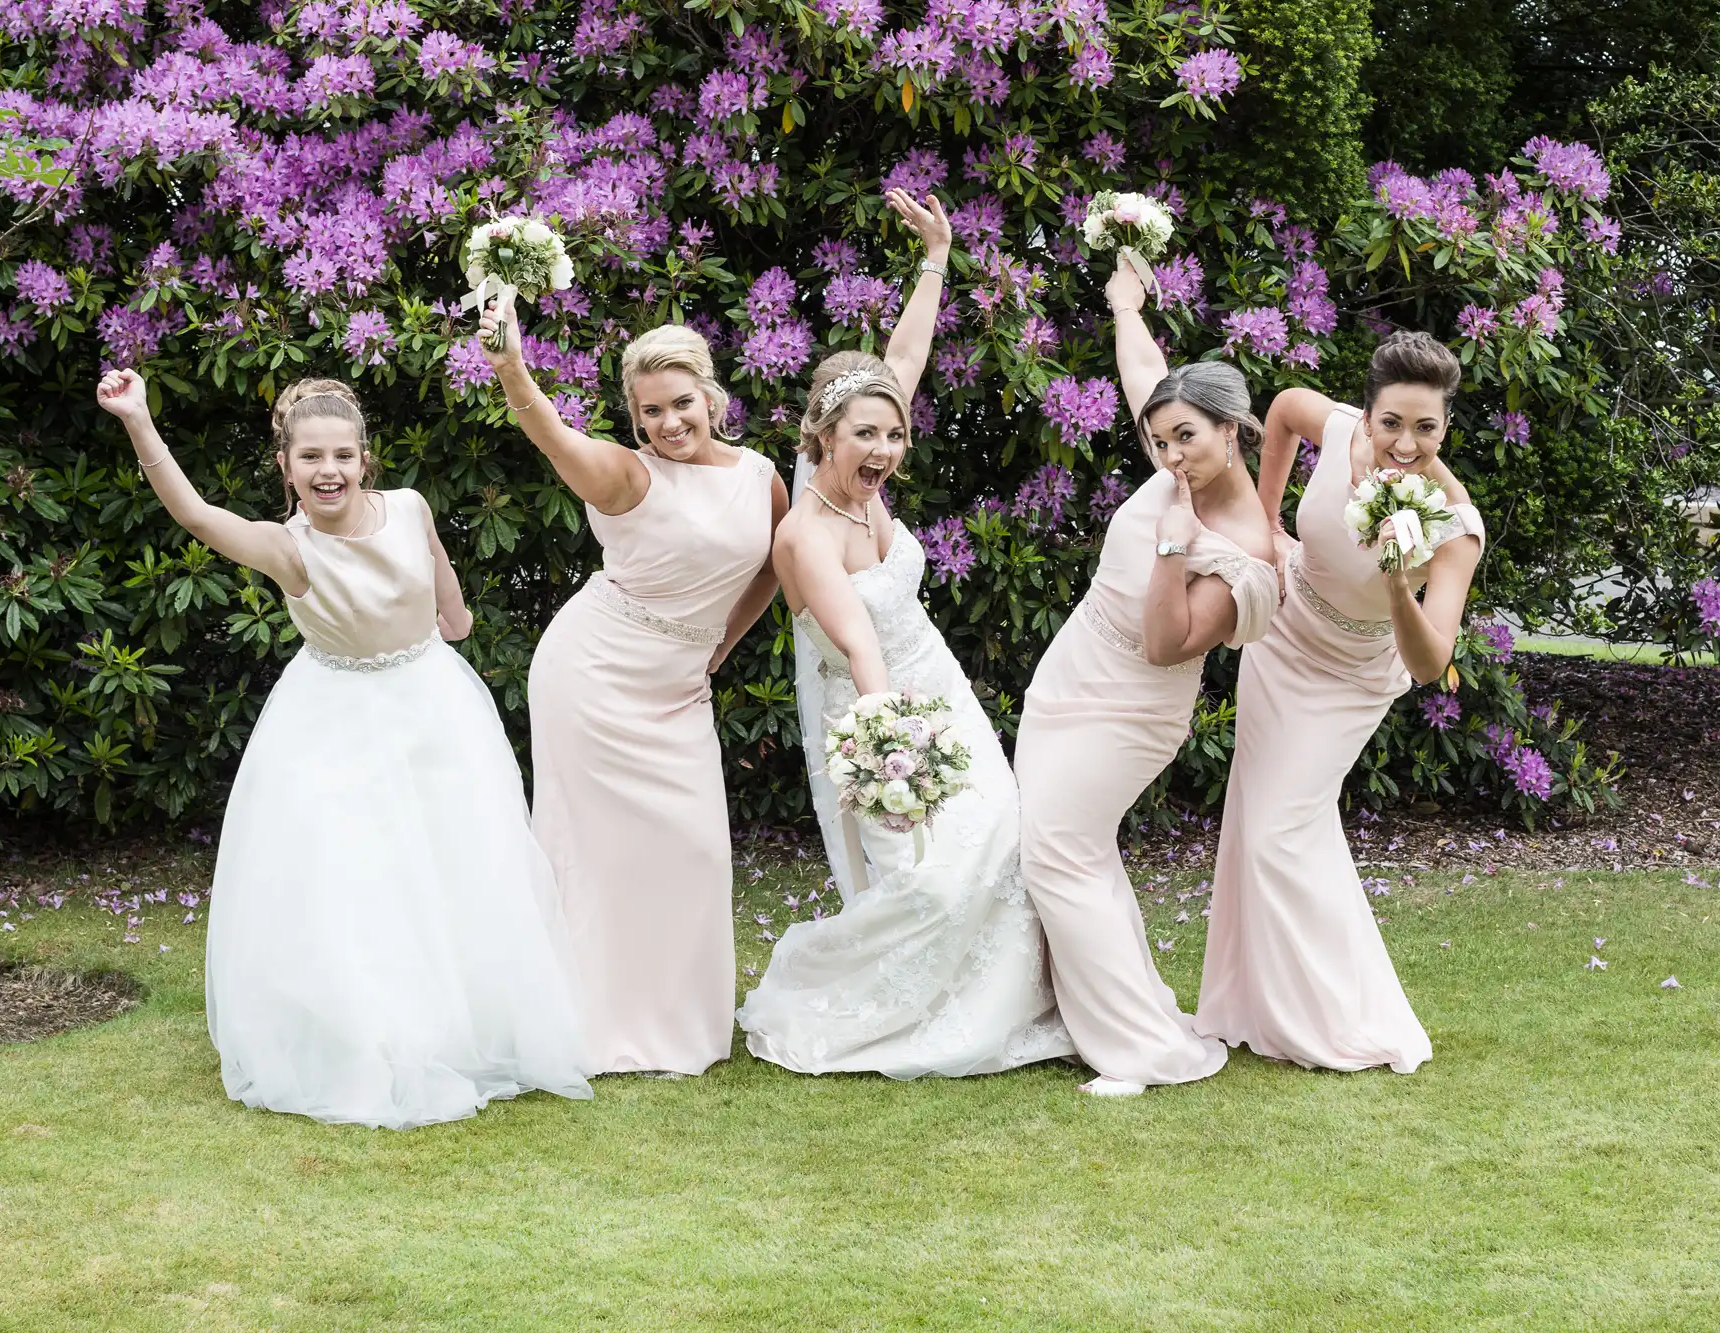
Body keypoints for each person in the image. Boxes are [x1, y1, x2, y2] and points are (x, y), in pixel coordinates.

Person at [95, 370, 589, 1128]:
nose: (328, 471)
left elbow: (446, 597)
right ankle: (372, 1030)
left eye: (343, 456)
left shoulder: (411, 507)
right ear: (286, 468)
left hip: (434, 707)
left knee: (455, 864)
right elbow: (195, 515)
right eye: (311, 458)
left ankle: (463, 1024)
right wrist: (136, 419)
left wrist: (450, 622)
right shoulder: (286, 549)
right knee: (356, 875)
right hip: (332, 718)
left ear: (366, 460)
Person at [736, 191, 1076, 1079]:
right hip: (875, 707)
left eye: (894, 432)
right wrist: (895, 751)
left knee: (999, 832)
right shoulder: (805, 533)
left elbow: (903, 356)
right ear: (822, 436)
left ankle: (1005, 996)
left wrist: (937, 253)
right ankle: (866, 1001)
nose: (885, 446)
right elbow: (857, 645)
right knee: (929, 870)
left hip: (938, 679)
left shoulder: (867, 473)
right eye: (866, 434)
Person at [478, 309, 787, 1077]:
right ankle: (586, 1023)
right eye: (650, 409)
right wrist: (513, 368)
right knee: (590, 857)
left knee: (698, 852)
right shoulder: (627, 472)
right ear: (634, 414)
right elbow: (552, 434)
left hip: (679, 689)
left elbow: (776, 565)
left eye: (681, 402)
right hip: (594, 675)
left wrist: (723, 643)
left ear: (711, 395)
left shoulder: (760, 476)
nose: (669, 421)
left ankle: (679, 1023)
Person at [1014, 267, 1279, 1097]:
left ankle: (1141, 1051)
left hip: (1131, 705)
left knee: (1059, 852)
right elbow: (1144, 372)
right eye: (1161, 440)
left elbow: (1168, 643)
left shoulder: (1248, 545)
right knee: (1070, 850)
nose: (1170, 455)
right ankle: (1105, 1013)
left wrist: (1173, 543)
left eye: (1188, 438)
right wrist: (1126, 306)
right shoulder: (1176, 466)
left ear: (1233, 430)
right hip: (1068, 676)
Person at [1196, 332, 1485, 1074]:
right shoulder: (1339, 429)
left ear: (1445, 428)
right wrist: (1262, 525)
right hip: (1285, 635)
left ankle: (1339, 1014)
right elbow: (1286, 410)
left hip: (1352, 674)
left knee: (1279, 832)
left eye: (1426, 427)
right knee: (1253, 816)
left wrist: (1396, 581)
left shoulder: (1455, 527)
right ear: (1370, 410)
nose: (1405, 441)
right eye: (1392, 421)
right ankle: (1248, 1003)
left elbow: (1430, 663)